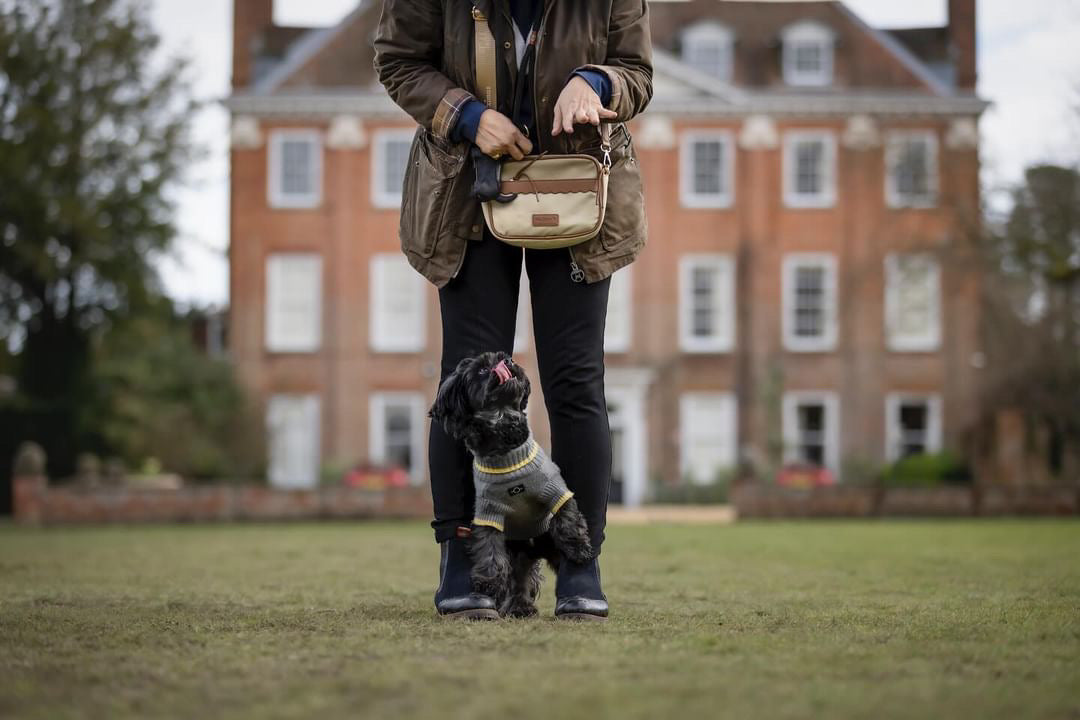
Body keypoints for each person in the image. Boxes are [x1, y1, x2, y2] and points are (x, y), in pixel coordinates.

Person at [374, 0, 653, 620]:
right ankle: (462, 560)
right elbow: (398, 61)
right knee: (465, 383)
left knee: (576, 383)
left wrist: (598, 80)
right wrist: (468, 115)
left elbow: (638, 72)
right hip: (466, 193)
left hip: (578, 189)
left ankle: (581, 565)